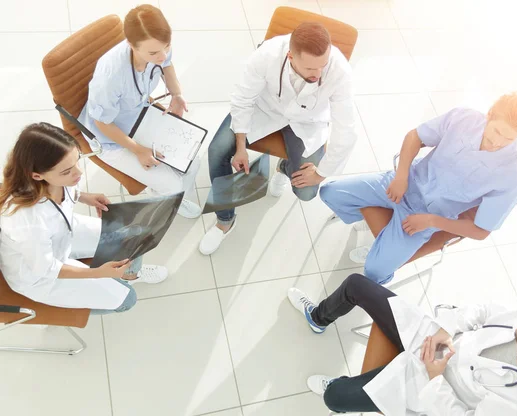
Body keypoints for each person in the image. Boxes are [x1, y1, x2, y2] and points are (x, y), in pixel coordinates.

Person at [287, 274, 517, 415]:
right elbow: (486, 311)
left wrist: (435, 376)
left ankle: (343, 389)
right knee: (356, 285)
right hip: (435, 340)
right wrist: (446, 330)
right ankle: (318, 318)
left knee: (334, 397)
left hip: (429, 387)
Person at [320, 92, 517, 284]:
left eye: (509, 138)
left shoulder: (511, 178)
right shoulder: (463, 118)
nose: (498, 142)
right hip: (406, 184)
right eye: (497, 131)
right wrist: (401, 175)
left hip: (427, 217)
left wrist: (432, 222)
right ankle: (383, 232)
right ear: (490, 114)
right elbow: (415, 136)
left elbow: (481, 231)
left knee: (374, 272)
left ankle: (385, 249)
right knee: (329, 192)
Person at [199, 22, 357, 255]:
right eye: (310, 68)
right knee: (217, 151)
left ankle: (284, 168)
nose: (318, 74)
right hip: (265, 110)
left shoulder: (339, 71)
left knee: (306, 192)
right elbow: (242, 99)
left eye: (322, 66)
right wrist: (240, 146)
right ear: (290, 56)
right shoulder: (268, 54)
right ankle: (225, 221)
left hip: (307, 120)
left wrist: (321, 172)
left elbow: (347, 129)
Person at [0, 123, 168, 314]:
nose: (79, 173)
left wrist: (85, 197)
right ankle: (70, 304)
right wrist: (97, 274)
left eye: (77, 161)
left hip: (64, 232)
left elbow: (65, 191)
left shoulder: (56, 178)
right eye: (67, 172)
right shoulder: (25, 221)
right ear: (37, 176)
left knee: (134, 236)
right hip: (41, 273)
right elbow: (46, 269)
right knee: (127, 299)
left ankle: (129, 276)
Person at [77, 4, 201, 219]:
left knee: (192, 161)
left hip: (142, 117)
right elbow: (102, 124)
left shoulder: (159, 48)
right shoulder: (111, 76)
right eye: (153, 52)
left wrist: (176, 94)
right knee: (172, 185)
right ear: (130, 44)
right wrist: (138, 150)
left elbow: (167, 65)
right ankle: (167, 196)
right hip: (112, 138)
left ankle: (167, 192)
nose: (162, 55)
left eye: (166, 47)